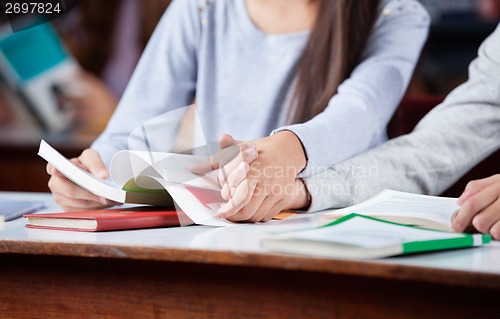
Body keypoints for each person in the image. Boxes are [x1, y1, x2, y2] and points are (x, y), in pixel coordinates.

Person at [47, 0, 430, 212]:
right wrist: (90, 175)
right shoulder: (200, 8)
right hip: (228, 224)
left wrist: (283, 151)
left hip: (341, 218)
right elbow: (130, 130)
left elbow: (359, 114)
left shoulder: (396, 14)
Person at [261, 23, 499, 239]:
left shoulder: (394, 15)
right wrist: (301, 190)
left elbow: (360, 110)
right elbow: (433, 148)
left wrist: (290, 151)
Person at [54, 0, 171, 133]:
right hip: (84, 136)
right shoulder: (91, 9)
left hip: (137, 146)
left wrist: (114, 114)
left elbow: (186, 128)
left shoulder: (183, 13)